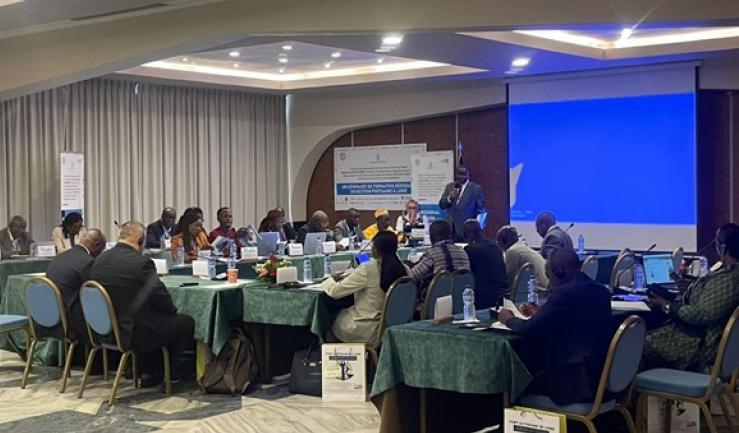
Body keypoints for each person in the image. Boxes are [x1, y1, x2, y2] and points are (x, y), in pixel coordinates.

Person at [498, 248, 612, 405]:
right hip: (600, 378)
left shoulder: (564, 293)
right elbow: (572, 318)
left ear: (559, 273)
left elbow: (528, 330)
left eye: (548, 275)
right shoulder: (600, 290)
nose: (549, 281)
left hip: (571, 383)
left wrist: (508, 319)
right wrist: (542, 313)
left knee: (514, 382)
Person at [90, 221, 194, 383]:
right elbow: (162, 299)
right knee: (185, 322)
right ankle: (175, 376)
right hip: (133, 332)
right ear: (140, 240)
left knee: (149, 317)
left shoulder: (99, 260)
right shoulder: (141, 263)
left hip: (105, 330)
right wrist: (172, 311)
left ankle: (148, 371)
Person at [644, 230, 739, 373]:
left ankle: (627, 388)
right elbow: (712, 299)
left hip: (696, 349)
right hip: (696, 341)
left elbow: (703, 314)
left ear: (724, 248)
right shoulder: (729, 275)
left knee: (634, 346)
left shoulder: (729, 279)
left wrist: (666, 305)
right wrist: (693, 287)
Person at [322, 231, 408, 343]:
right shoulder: (405, 269)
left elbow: (335, 292)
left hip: (368, 329)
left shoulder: (368, 268)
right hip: (395, 326)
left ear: (375, 249)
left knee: (333, 318)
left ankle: (332, 352)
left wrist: (330, 280)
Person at [45, 229, 106, 342]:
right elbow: (94, 295)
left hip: (49, 317)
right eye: (100, 251)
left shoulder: (59, 257)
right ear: (96, 245)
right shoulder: (87, 262)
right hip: (71, 323)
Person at [409, 220, 470, 309]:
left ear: (431, 237)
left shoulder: (432, 254)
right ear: (450, 235)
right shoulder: (462, 252)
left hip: (436, 305)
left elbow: (412, 276)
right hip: (461, 304)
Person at [463, 219, 509, 309]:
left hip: (484, 298)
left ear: (465, 235)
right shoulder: (496, 247)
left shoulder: (470, 250)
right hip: (503, 295)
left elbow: (467, 276)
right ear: (481, 231)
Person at [438, 165, 486, 242]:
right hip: (451, 228)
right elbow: (442, 205)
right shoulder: (450, 186)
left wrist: (476, 227)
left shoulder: (475, 189)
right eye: (459, 174)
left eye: (463, 174)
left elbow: (481, 210)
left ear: (468, 174)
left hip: (467, 229)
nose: (461, 176)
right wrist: (450, 198)